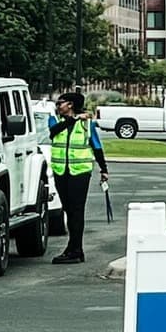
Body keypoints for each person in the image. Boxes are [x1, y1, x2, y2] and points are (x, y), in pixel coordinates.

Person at [47, 91, 109, 264]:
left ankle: (75, 249)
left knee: (76, 210)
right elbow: (53, 131)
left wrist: (104, 169)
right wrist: (74, 119)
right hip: (61, 171)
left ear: (70, 105)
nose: (58, 106)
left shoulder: (87, 124)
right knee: (68, 209)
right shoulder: (54, 120)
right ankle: (74, 248)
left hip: (80, 172)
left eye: (60, 103)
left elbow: (96, 146)